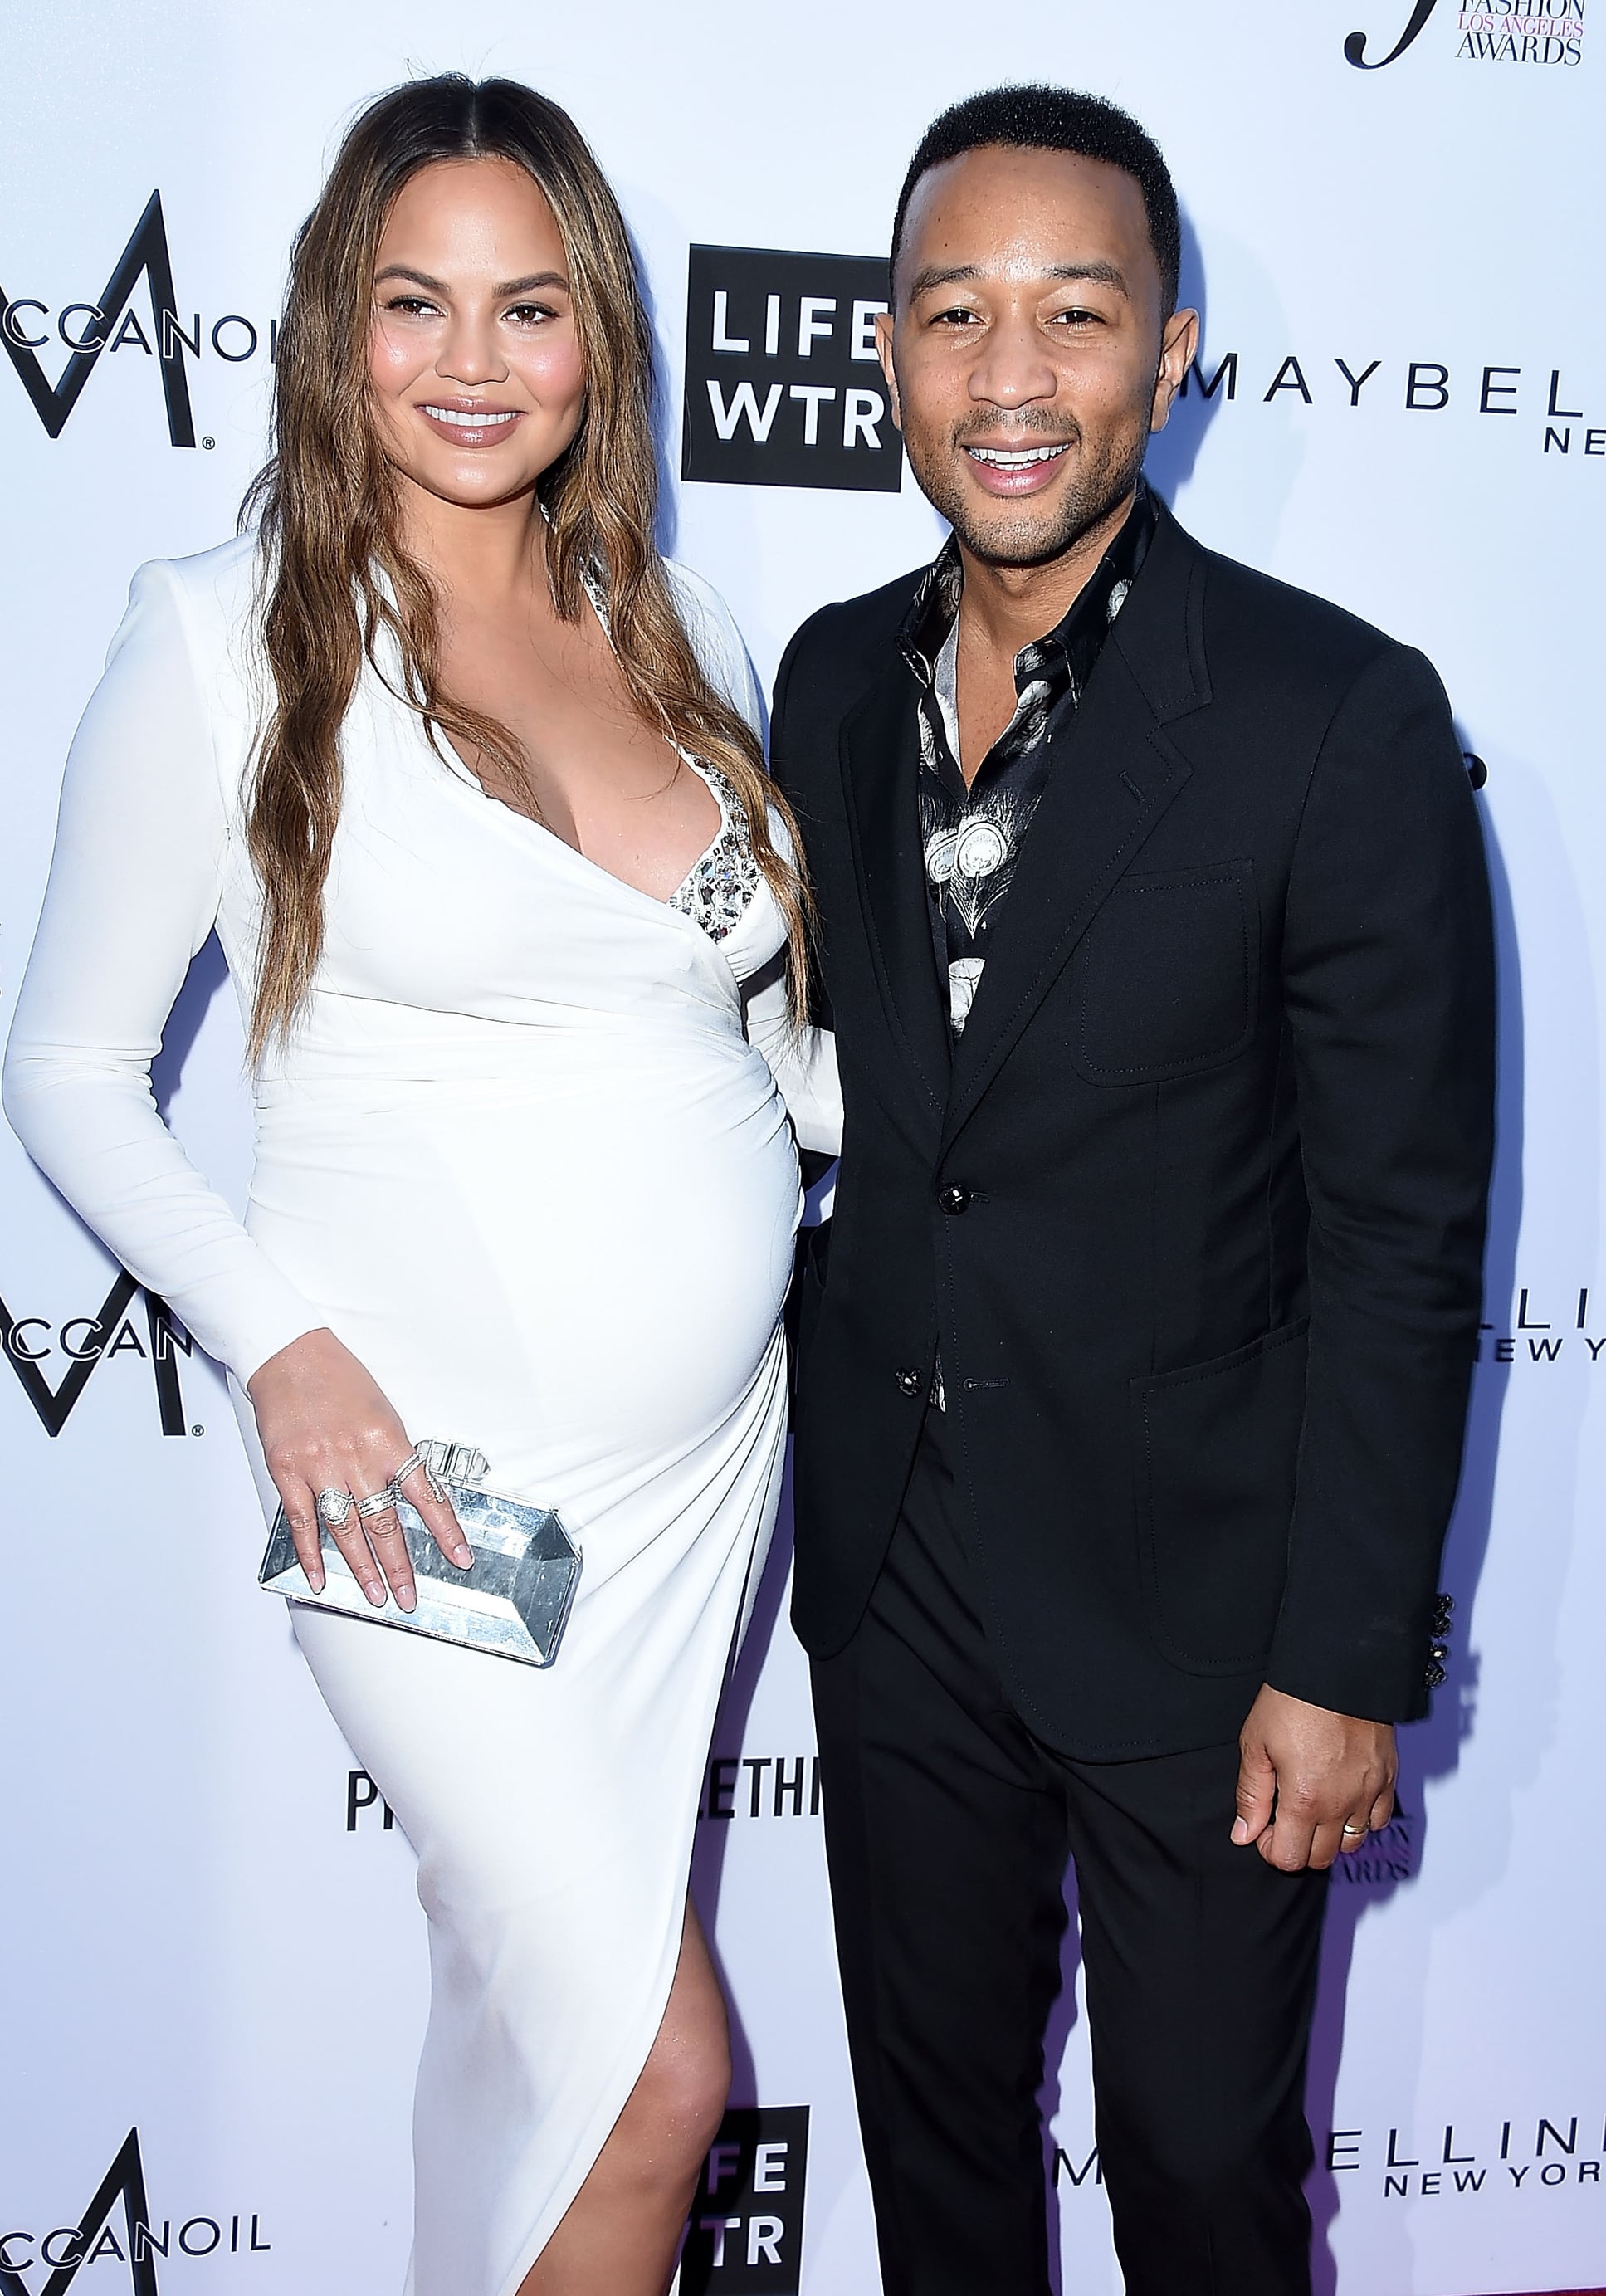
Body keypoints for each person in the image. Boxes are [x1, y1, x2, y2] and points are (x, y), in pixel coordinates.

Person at [3, 74, 837, 2296]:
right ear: (332, 324)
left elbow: (767, 1055)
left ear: (599, 345)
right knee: (654, 2076)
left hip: (688, 1486)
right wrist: (278, 1352)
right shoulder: (225, 630)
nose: (473, 365)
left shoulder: (686, 636)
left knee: (525, 2052)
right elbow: (69, 1066)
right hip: (427, 1486)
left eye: (530, 308)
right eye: (415, 303)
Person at [770, 84, 1495, 2296]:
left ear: (1170, 355)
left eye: (1074, 316)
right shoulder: (817, 682)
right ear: (883, 351)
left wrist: (1345, 1657)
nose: (1011, 380)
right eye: (953, 315)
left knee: (1198, 2182)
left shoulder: (1331, 716)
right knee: (942, 2164)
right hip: (897, 1576)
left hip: (1208, 1612)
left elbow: (1404, 1230)